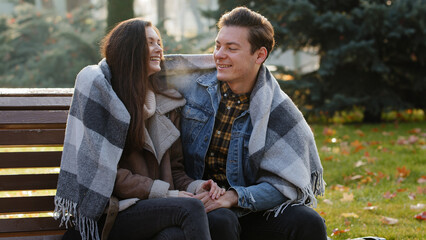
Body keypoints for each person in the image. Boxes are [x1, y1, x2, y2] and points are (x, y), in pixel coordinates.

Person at [54, 18, 224, 240]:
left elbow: (175, 170)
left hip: (157, 207)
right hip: (115, 211)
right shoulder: (101, 92)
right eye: (150, 43)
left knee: (222, 219)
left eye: (159, 42)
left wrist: (196, 187)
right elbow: (105, 175)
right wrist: (167, 194)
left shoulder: (168, 103)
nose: (159, 49)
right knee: (189, 210)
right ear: (129, 48)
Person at [172, 7, 327, 240]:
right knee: (220, 221)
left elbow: (284, 184)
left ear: (260, 55)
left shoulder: (279, 111)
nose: (219, 54)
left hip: (248, 206)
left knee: (308, 221)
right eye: (217, 45)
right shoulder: (191, 86)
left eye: (231, 48)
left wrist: (234, 197)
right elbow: (143, 67)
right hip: (197, 200)